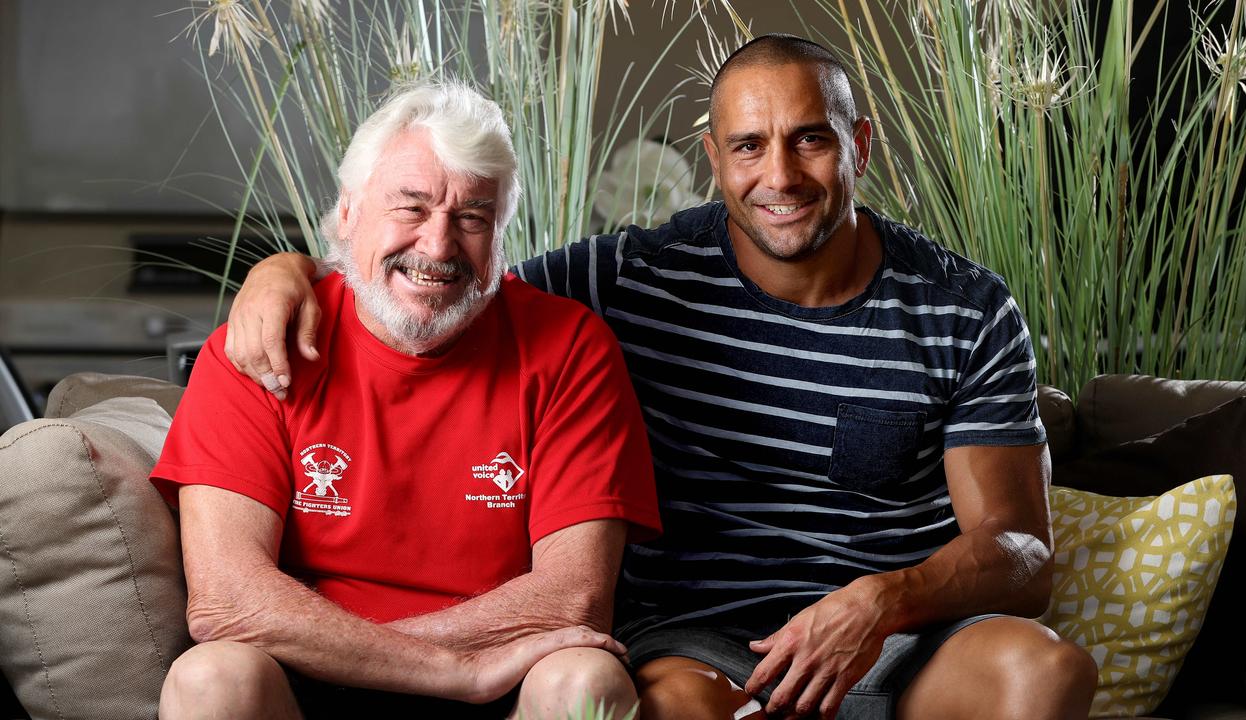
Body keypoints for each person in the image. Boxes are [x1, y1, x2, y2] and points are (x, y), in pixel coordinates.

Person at [224, 35, 1099, 720]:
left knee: (1046, 670)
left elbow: (1021, 557)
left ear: (858, 145)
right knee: (674, 708)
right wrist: (289, 270)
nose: (780, 176)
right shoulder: (626, 278)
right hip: (699, 643)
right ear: (715, 158)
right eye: (749, 146)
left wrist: (880, 602)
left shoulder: (965, 307)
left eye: (811, 141)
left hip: (900, 638)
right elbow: (443, 279)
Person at [150, 81, 662, 720]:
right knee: (211, 680)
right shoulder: (258, 346)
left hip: (498, 684)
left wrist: (437, 668)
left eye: (472, 217)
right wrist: (448, 668)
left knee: (584, 679)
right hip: (309, 687)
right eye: (411, 208)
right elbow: (227, 601)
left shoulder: (569, 348)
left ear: (501, 235)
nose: (439, 246)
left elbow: (573, 601)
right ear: (347, 215)